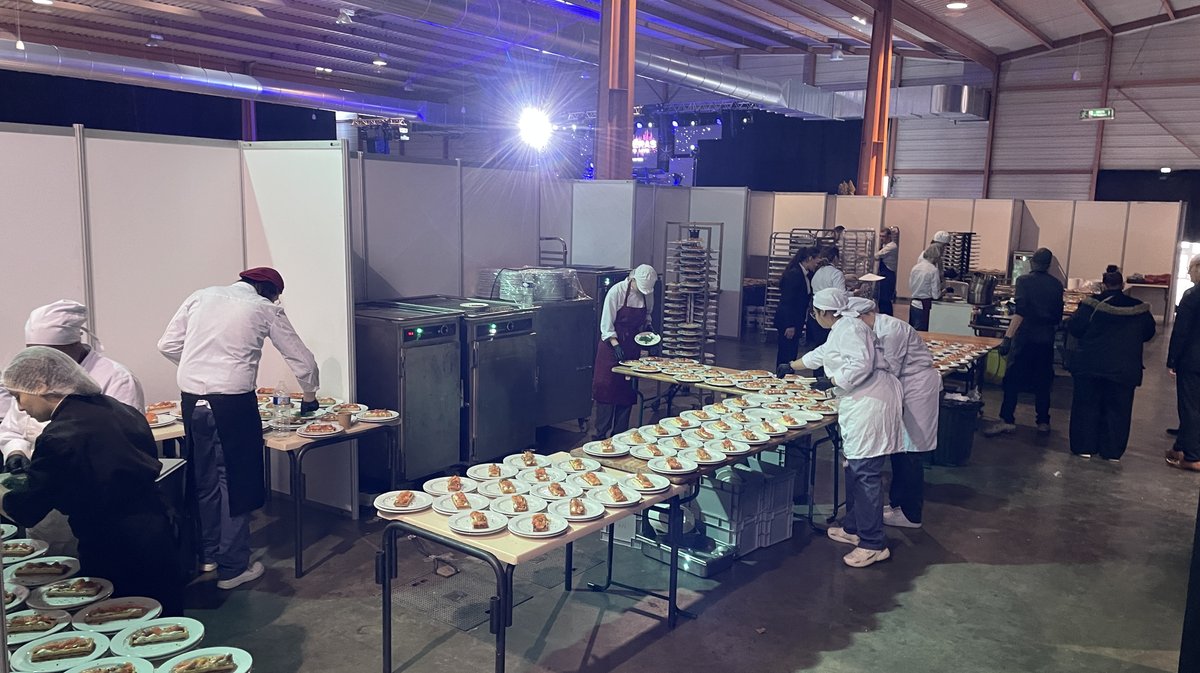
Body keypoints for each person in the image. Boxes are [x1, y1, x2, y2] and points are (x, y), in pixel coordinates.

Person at [158, 266, 320, 590]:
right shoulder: (264, 308)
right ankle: (233, 569)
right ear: (269, 291)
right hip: (232, 404)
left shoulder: (201, 296)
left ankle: (207, 556)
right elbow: (301, 358)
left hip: (191, 403)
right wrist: (310, 395)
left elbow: (167, 344)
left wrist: (198, 367)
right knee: (235, 483)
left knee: (202, 482)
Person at [0, 347, 183, 614]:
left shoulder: (60, 435)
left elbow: (27, 510)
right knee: (159, 611)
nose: (20, 407)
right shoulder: (118, 410)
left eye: (19, 396)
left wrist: (5, 489)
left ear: (39, 385)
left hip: (113, 544)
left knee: (121, 618)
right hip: (157, 530)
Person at [789, 289, 904, 568]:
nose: (814, 318)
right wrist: (793, 365)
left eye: (815, 314)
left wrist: (832, 381)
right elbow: (825, 352)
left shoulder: (850, 328)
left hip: (870, 403)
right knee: (853, 468)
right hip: (864, 400)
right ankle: (854, 528)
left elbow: (860, 365)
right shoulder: (844, 326)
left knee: (865, 473)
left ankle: (873, 543)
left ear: (826, 313)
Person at [0, 300, 144, 473]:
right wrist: (16, 451)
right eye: (34, 353)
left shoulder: (117, 378)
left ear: (75, 345)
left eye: (51, 352)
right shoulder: (30, 376)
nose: (40, 361)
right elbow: (11, 428)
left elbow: (122, 444)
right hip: (39, 471)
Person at [849, 297, 940, 529]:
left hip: (916, 388)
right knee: (901, 449)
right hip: (904, 386)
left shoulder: (890, 330)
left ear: (863, 316)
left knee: (911, 451)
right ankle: (898, 505)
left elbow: (887, 370)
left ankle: (911, 514)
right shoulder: (874, 329)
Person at [1066, 267, 1155, 462]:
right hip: (1124, 368)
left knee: (1086, 406)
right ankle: (1112, 451)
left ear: (1103, 284)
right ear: (1122, 285)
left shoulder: (1090, 306)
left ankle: (1084, 447)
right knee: (1119, 410)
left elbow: (1074, 328)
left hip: (1090, 365)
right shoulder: (1138, 308)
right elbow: (1148, 333)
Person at [985, 248, 1065, 437]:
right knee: (1043, 381)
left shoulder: (1024, 281)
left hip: (1026, 338)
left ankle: (1007, 420)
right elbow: (1058, 316)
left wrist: (1007, 337)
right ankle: (1043, 422)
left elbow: (1020, 313)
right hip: (1046, 339)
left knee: (1012, 379)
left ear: (1032, 263)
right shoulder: (1056, 285)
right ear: (1048, 264)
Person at [590, 264, 657, 440]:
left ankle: (620, 436)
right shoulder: (616, 292)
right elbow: (606, 324)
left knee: (626, 393)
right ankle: (600, 436)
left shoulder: (647, 295)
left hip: (632, 346)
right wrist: (615, 343)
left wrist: (649, 330)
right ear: (632, 279)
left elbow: (647, 315)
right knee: (606, 391)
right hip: (610, 348)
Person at [1167, 255, 1200, 471]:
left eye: (1190, 268)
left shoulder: (1192, 295)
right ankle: (1180, 446)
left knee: (1189, 407)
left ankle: (1192, 457)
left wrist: (1172, 361)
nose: (1188, 273)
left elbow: (1181, 332)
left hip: (1193, 360)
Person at [773, 246, 818, 366]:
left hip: (797, 319)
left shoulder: (805, 274)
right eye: (816, 261)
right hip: (789, 321)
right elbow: (787, 301)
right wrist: (790, 325)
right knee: (786, 353)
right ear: (809, 259)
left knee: (791, 352)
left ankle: (787, 376)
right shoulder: (794, 275)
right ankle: (782, 377)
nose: (816, 264)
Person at [806, 246, 845, 351]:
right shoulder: (836, 273)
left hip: (814, 312)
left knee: (817, 346)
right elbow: (841, 295)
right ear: (836, 258)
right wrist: (854, 293)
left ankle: (817, 367)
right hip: (829, 313)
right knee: (829, 346)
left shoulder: (817, 272)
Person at [908, 246, 942, 332]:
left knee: (912, 331)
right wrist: (943, 292)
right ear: (935, 257)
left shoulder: (915, 267)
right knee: (922, 333)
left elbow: (910, 285)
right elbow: (936, 295)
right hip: (924, 304)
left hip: (913, 303)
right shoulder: (933, 270)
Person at [874, 227, 899, 315]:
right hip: (883, 273)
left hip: (888, 274)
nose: (881, 238)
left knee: (885, 299)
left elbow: (877, 255)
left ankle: (888, 317)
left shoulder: (892, 246)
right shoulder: (884, 245)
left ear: (889, 236)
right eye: (880, 236)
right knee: (880, 299)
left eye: (883, 236)